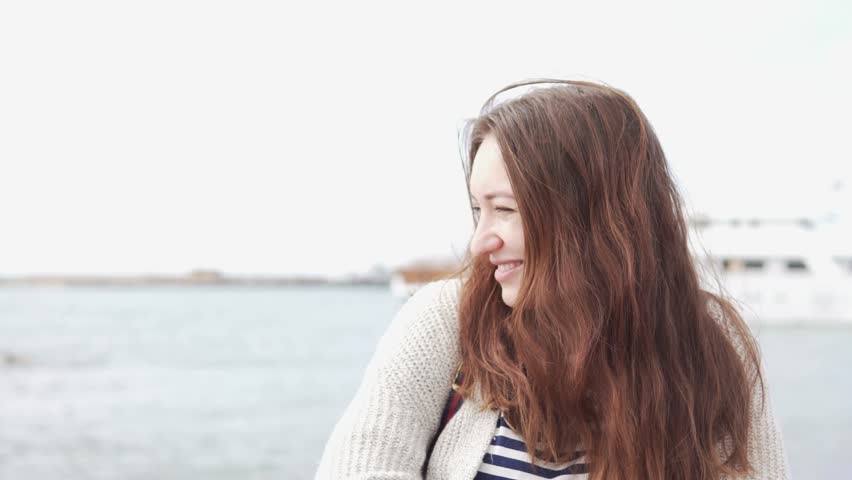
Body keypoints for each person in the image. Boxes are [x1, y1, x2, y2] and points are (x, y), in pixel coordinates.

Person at [315, 79, 790, 480]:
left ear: (589, 219)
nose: (481, 241)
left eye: (504, 210)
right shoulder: (444, 321)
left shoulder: (712, 341)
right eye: (479, 209)